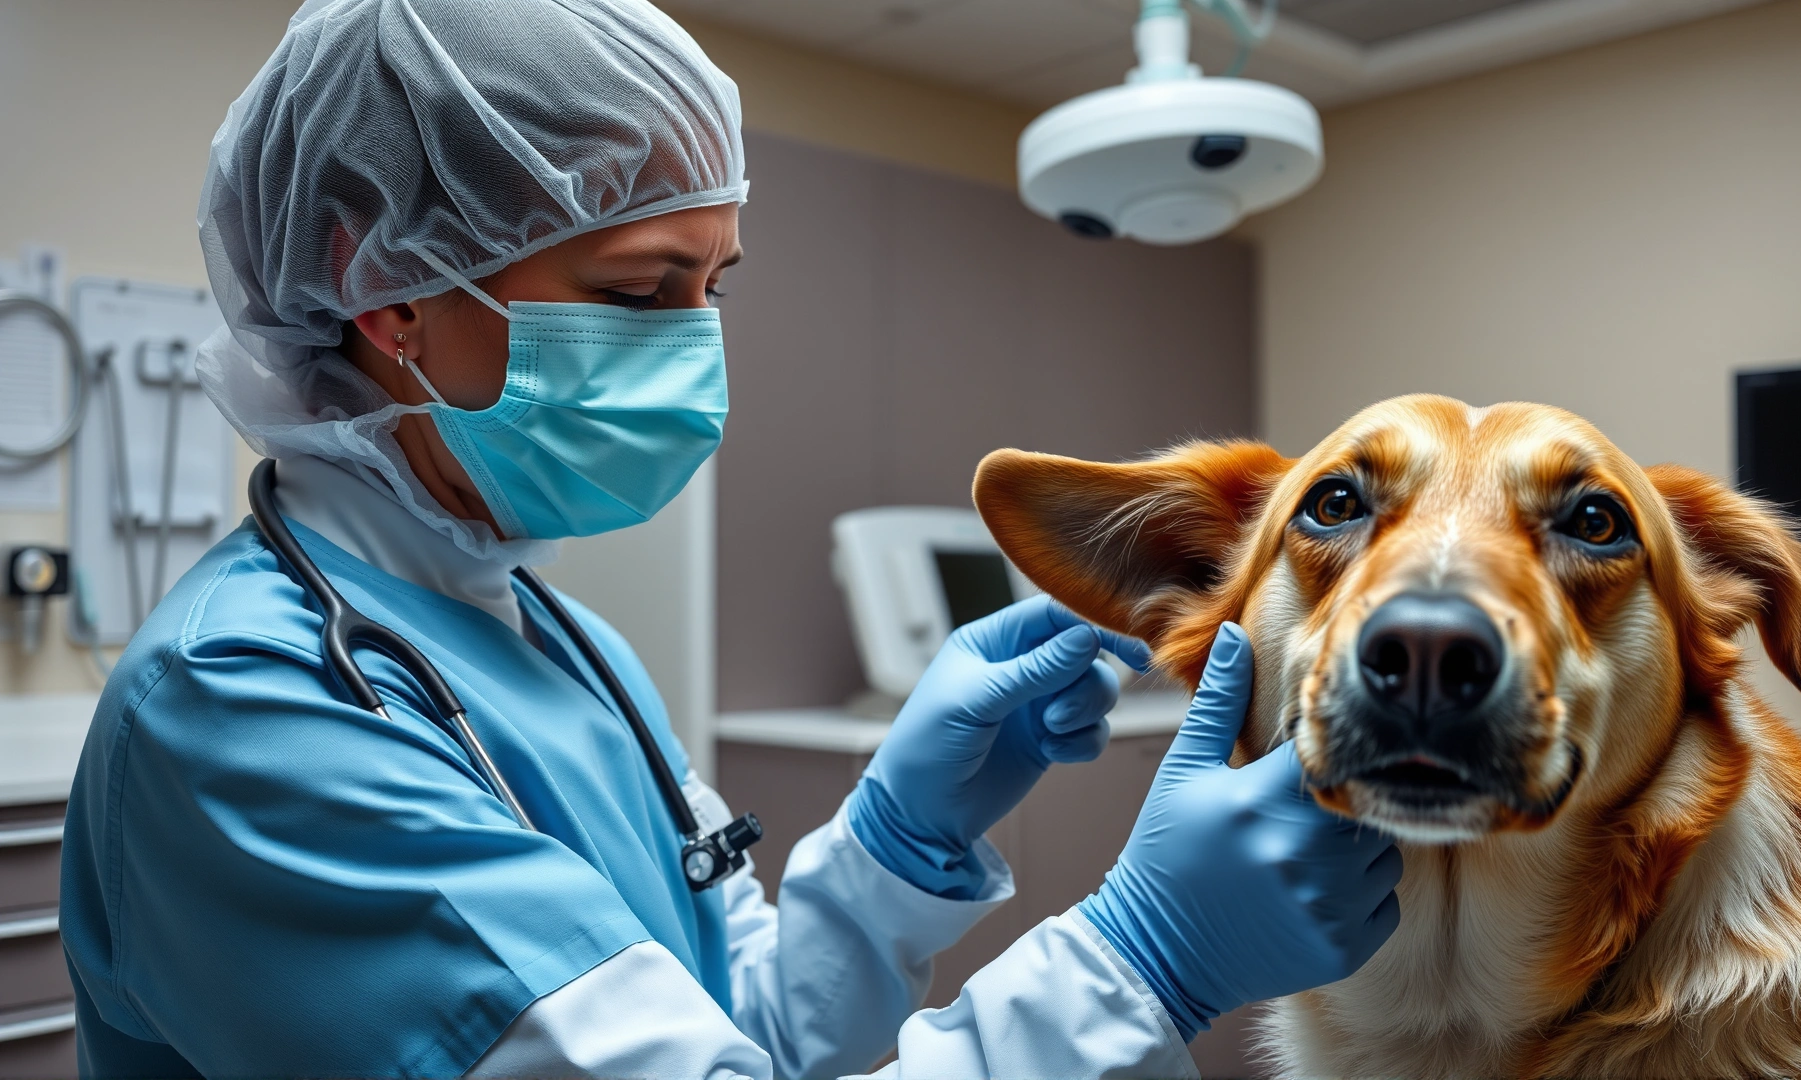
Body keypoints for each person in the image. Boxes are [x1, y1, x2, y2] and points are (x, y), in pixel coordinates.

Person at [58, 1, 1402, 1076]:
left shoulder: (555, 641)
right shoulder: (246, 714)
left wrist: (895, 842)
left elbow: (738, 1036)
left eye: (713, 288)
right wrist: (1145, 960)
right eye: (641, 290)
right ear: (380, 289)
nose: (695, 346)